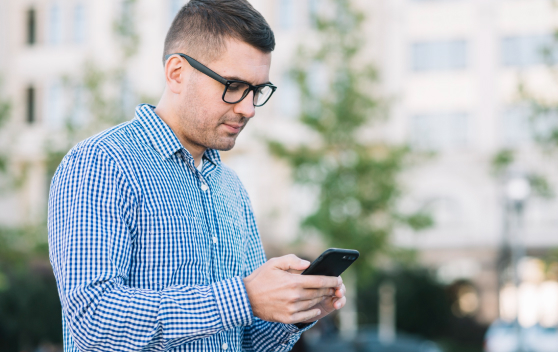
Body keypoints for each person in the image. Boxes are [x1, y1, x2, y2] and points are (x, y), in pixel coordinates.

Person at [47, 1, 347, 351]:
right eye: (233, 85)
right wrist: (243, 297)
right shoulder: (100, 165)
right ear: (176, 72)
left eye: (257, 91)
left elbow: (243, 339)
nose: (248, 108)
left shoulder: (230, 186)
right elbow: (94, 322)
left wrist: (297, 311)